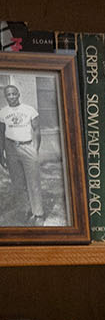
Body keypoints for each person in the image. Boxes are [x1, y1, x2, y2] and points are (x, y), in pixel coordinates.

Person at [0, 81, 45, 222]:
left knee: (33, 182)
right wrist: (1, 154)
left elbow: (37, 130)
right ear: (5, 97)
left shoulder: (29, 110)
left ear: (18, 94)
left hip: (27, 146)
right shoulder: (3, 112)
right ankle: (24, 210)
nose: (11, 97)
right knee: (18, 183)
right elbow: (1, 133)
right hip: (10, 147)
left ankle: (38, 214)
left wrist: (35, 149)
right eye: (8, 95)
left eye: (14, 94)